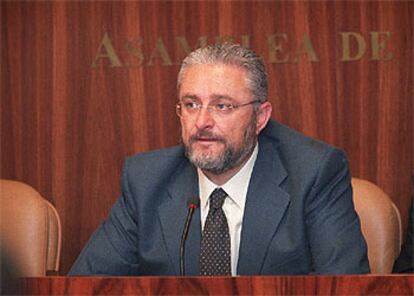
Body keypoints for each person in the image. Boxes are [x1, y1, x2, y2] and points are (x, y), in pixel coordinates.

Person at [69, 43, 369, 276]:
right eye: (191, 104)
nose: (201, 122)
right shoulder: (146, 180)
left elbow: (344, 285)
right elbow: (88, 285)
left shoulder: (314, 172)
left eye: (222, 106)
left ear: (260, 117)